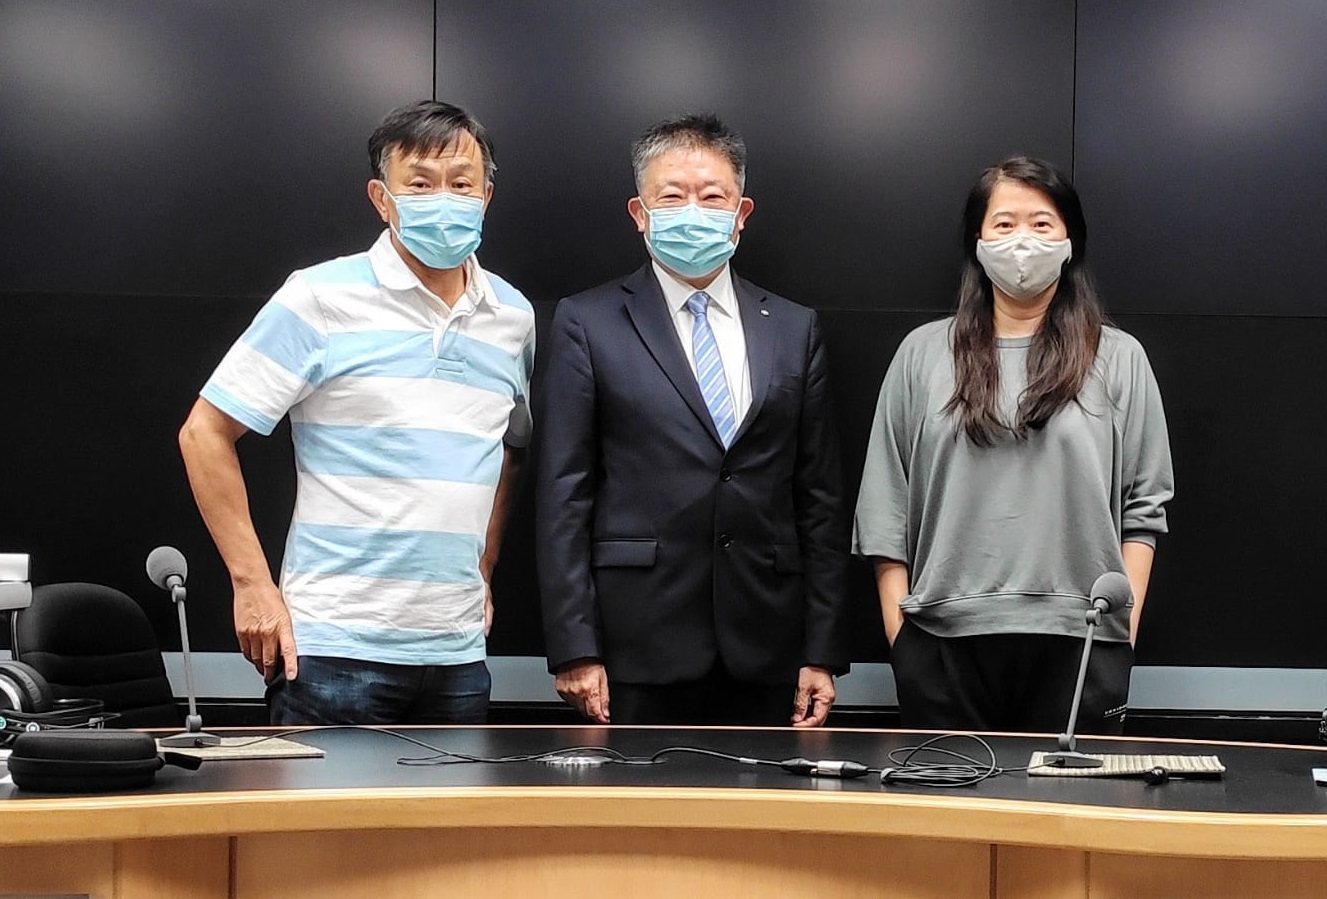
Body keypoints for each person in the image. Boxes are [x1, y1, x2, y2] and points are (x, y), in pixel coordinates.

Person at [178, 101, 535, 725]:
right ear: (382, 197)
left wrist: (482, 566)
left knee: (452, 827)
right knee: (323, 828)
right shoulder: (319, 297)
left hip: (458, 655)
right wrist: (251, 584)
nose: (443, 197)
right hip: (333, 654)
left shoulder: (513, 316)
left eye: (461, 183)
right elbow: (205, 432)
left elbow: (508, 445)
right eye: (419, 183)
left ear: (487, 195)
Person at [535, 113, 850, 727]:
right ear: (639, 212)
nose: (693, 209)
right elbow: (563, 494)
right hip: (633, 647)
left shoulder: (794, 326)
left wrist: (824, 650)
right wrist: (574, 646)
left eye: (712, 196)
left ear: (741, 212)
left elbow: (821, 500)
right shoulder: (588, 321)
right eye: (671, 196)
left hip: (768, 647)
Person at [853, 156, 1174, 733]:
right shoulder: (922, 355)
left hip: (1081, 647)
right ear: (977, 241)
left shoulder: (1119, 358)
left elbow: (1144, 509)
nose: (1022, 240)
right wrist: (902, 638)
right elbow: (884, 509)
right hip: (939, 643)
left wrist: (1120, 632)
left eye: (1041, 223)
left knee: (1070, 821)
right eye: (1004, 224)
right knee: (952, 823)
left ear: (1070, 239)